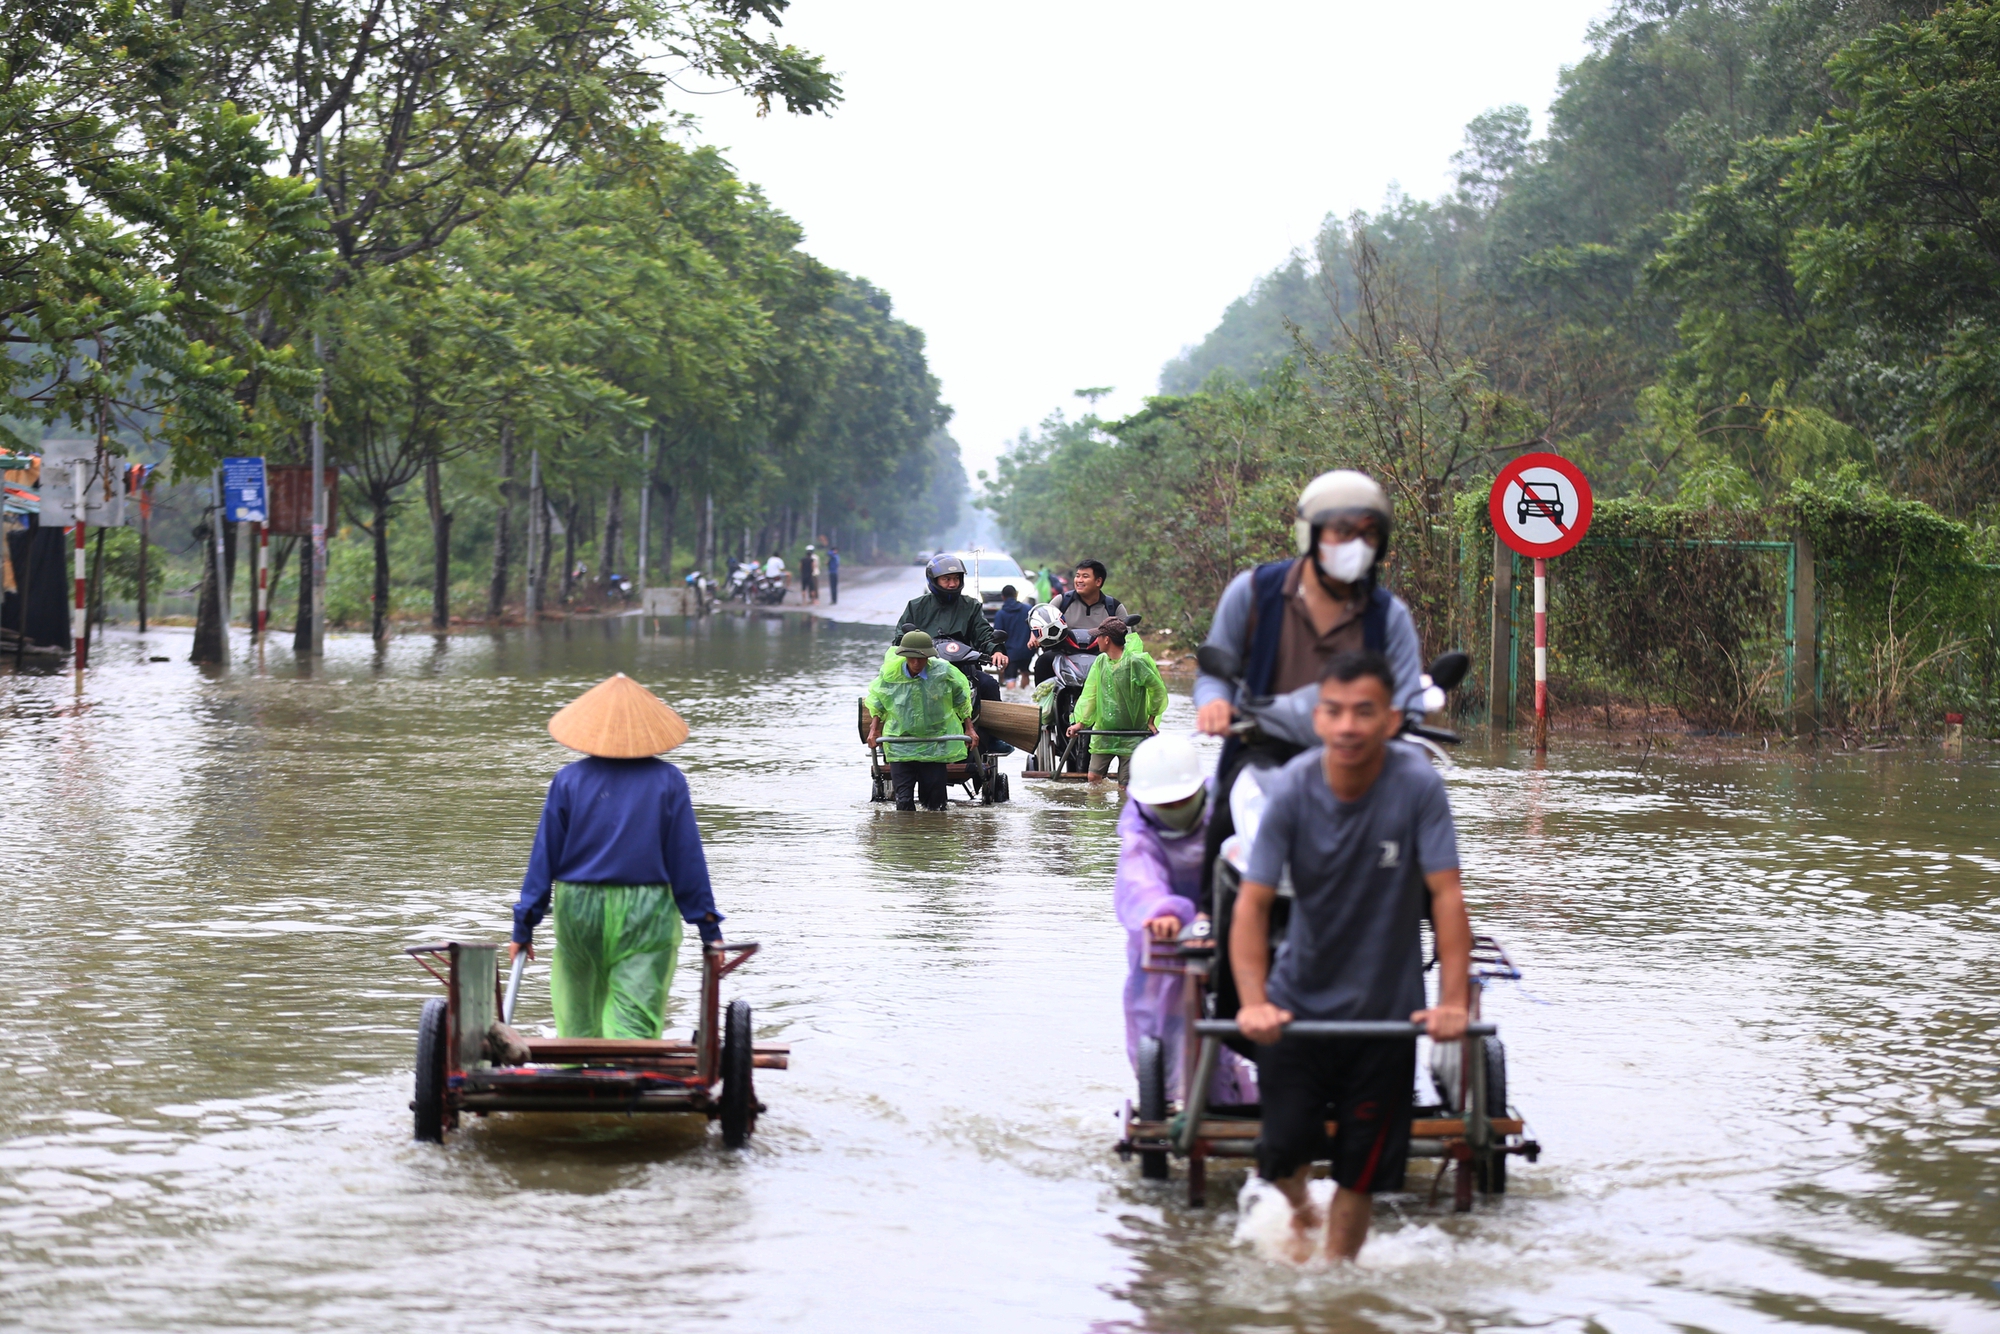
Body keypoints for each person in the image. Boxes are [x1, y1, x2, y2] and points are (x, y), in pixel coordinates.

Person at [1231, 650, 1471, 1263]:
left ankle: (1335, 1293)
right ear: (1318, 721)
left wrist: (1450, 1002)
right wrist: (1254, 1003)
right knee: (1281, 1155)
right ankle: (1303, 1207)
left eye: (1364, 713)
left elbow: (1446, 897)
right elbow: (1253, 906)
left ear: (1391, 720)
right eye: (1333, 712)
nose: (1348, 727)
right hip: (1296, 1007)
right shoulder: (1291, 791)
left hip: (1385, 1014)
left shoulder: (1418, 786)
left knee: (1362, 1172)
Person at [509, 674, 726, 1040]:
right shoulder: (669, 781)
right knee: (633, 1016)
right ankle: (626, 1079)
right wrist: (709, 930)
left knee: (578, 1010)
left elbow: (543, 858)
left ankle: (576, 1078)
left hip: (578, 907)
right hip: (645, 910)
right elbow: (686, 861)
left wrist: (524, 926)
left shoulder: (568, 780)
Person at [1194, 470, 1425, 740]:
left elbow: (1409, 701)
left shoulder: (1389, 616)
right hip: (1260, 758)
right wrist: (1215, 702)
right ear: (1311, 533)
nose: (1357, 544)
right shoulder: (1253, 592)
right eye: (1343, 531)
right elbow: (1211, 675)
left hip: (1355, 763)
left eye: (1369, 534)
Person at [1116, 734, 1257, 1106]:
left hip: (1233, 921)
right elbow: (1139, 878)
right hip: (1170, 932)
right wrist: (1160, 911)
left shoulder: (1229, 810)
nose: (1176, 807)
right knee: (1162, 1007)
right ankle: (1170, 1091)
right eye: (1166, 803)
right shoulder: (1139, 830)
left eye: (1182, 799)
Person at [892, 555, 1010, 739]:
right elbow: (901, 637)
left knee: (989, 684)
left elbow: (983, 633)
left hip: (964, 669)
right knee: (897, 688)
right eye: (947, 579)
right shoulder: (916, 606)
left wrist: (996, 650)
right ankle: (894, 735)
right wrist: (910, 646)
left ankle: (992, 738)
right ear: (934, 580)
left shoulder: (971, 606)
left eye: (956, 579)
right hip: (925, 668)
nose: (952, 584)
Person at [862, 629, 977, 811]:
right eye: (912, 658)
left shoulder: (943, 672)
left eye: (921, 659)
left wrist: (969, 728)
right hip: (901, 742)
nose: (916, 663)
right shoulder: (891, 674)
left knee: (935, 804)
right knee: (904, 802)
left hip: (934, 742)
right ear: (904, 656)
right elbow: (878, 702)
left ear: (929, 657)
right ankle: (908, 837)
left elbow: (961, 700)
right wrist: (874, 729)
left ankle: (931, 836)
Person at [1066, 618, 1166, 784]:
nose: (1095, 640)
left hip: (1132, 734)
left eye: (1099, 636)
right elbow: (1091, 694)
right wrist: (1081, 723)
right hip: (1104, 733)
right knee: (1093, 778)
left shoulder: (1135, 663)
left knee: (1125, 785)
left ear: (1107, 639)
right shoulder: (1100, 662)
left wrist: (1151, 719)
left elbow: (1157, 690)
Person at [1057, 559, 1125, 634]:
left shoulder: (1114, 608)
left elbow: (1129, 639)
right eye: (1077, 576)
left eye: (1085, 576)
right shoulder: (1061, 601)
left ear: (1098, 581)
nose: (1079, 580)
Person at [992, 584, 1032, 687]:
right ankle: (1025, 702)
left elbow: (997, 636)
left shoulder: (1001, 614)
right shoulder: (1028, 610)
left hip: (1010, 653)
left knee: (1010, 679)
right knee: (1025, 673)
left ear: (1003, 597)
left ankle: (1012, 701)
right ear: (1016, 595)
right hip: (1027, 650)